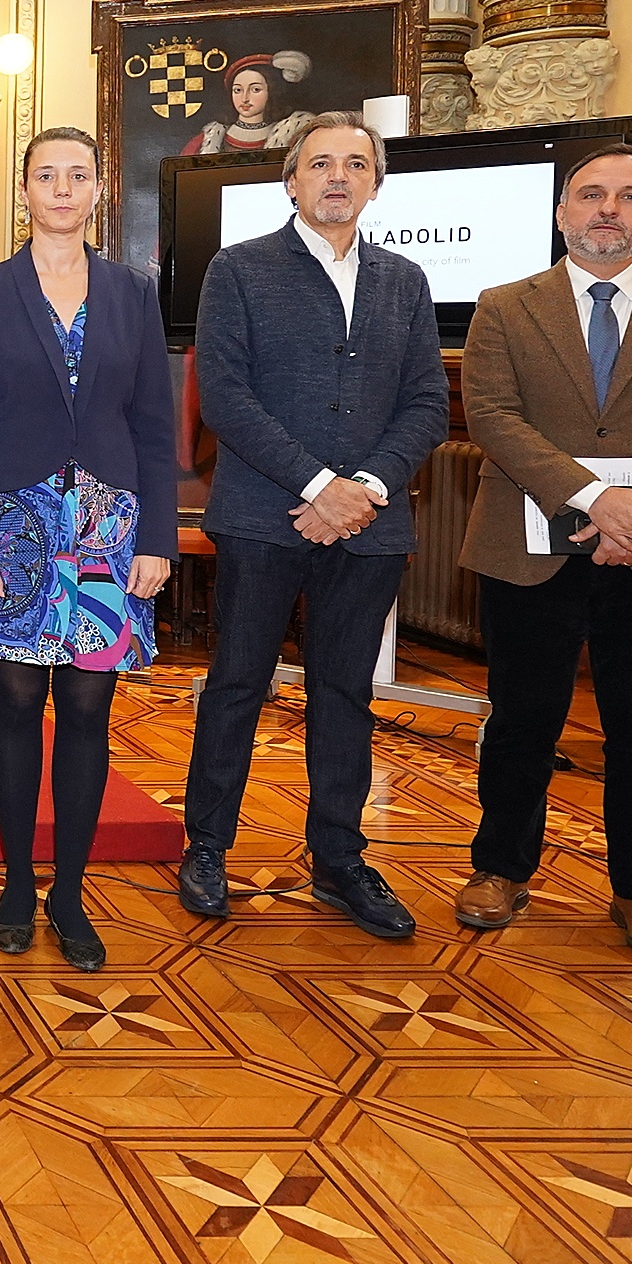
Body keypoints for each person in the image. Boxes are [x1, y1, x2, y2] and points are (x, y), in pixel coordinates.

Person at [453, 147, 632, 965]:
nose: (608, 209)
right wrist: (596, 498)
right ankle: (500, 870)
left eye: (630, 196)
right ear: (563, 213)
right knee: (521, 720)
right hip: (529, 546)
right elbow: (493, 415)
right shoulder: (504, 305)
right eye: (590, 194)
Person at [180, 111, 449, 937]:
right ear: (291, 180)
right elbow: (226, 398)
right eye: (321, 163)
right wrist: (320, 483)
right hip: (263, 516)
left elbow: (427, 404)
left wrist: (362, 487)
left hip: (369, 525)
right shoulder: (239, 269)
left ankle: (339, 859)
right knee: (237, 683)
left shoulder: (405, 281)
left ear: (375, 184)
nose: (338, 176)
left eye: (355, 164)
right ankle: (207, 847)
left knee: (345, 694)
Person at [0, 127, 177, 973]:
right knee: (14, 706)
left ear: (99, 189)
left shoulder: (132, 293)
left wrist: (158, 537)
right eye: (47, 175)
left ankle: (70, 892)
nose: (63, 188)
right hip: (11, 529)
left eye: (78, 175)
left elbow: (154, 424)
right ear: (25, 190)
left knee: (86, 710)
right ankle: (15, 883)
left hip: (109, 530)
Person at [182, 51, 314, 157]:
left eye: (255, 89)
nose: (244, 98)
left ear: (271, 92)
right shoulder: (207, 141)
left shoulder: (292, 136)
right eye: (238, 90)